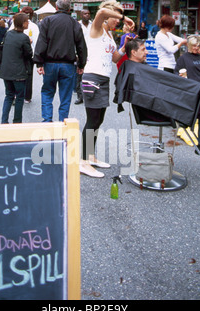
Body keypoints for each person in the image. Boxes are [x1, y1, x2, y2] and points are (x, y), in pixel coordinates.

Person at [79, 0, 134, 178]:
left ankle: (90, 156)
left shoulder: (109, 35)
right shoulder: (96, 28)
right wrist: (125, 18)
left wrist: (125, 47)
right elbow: (101, 11)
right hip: (92, 78)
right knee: (92, 121)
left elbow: (115, 57)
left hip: (103, 79)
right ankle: (83, 161)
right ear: (109, 15)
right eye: (115, 17)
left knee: (98, 120)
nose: (117, 21)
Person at [34, 0, 87, 123]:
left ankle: (47, 121)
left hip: (50, 63)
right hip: (68, 64)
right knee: (65, 96)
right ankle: (63, 122)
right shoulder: (75, 24)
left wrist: (39, 63)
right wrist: (81, 64)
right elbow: (81, 46)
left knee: (47, 92)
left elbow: (42, 42)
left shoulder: (47, 21)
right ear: (69, 9)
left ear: (56, 7)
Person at [0, 13, 32, 124]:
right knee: (19, 98)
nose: (28, 23)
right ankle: (17, 121)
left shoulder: (8, 34)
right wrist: (29, 43)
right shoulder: (24, 38)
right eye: (27, 21)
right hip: (19, 72)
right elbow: (28, 54)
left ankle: (4, 121)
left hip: (6, 70)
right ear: (22, 23)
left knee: (8, 95)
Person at [10, 6, 39, 104]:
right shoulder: (34, 26)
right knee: (28, 75)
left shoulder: (16, 25)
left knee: (17, 74)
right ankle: (26, 96)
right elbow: (37, 42)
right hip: (28, 54)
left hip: (18, 53)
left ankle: (19, 94)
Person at [74, 9, 92, 105]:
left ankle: (89, 96)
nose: (87, 15)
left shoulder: (93, 25)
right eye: (85, 14)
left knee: (90, 76)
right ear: (81, 15)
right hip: (80, 54)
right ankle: (80, 97)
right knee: (79, 76)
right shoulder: (77, 25)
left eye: (88, 14)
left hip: (91, 54)